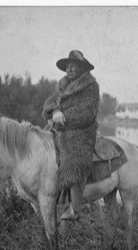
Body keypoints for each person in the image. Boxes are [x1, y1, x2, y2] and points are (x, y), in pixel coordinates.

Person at [42, 50, 100, 220]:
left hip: (82, 130)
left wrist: (63, 120)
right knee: (40, 141)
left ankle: (75, 208)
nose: (68, 69)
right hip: (59, 125)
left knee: (73, 157)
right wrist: (55, 111)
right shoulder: (62, 84)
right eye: (67, 66)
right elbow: (49, 103)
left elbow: (88, 113)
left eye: (72, 66)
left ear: (81, 68)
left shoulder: (91, 86)